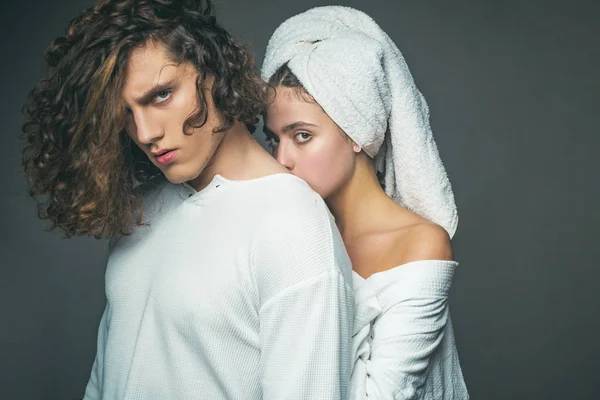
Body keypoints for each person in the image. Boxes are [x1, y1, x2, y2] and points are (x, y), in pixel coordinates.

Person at [21, 1, 354, 399]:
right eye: (125, 113)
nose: (144, 132)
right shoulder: (145, 210)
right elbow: (107, 379)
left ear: (214, 72)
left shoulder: (292, 222)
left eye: (161, 96)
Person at [261, 6, 469, 399]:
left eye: (302, 135)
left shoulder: (420, 244)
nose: (281, 159)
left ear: (357, 131)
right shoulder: (298, 234)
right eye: (274, 138)